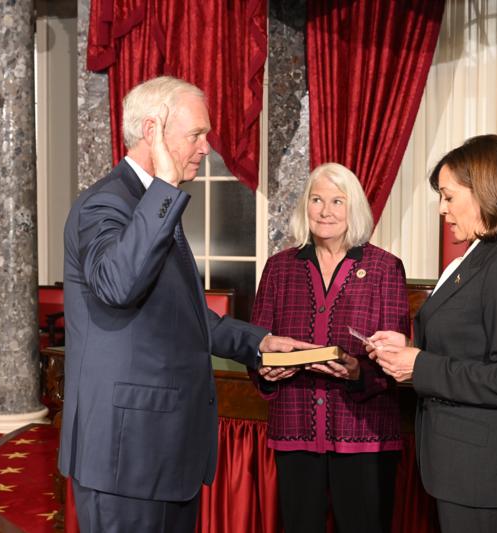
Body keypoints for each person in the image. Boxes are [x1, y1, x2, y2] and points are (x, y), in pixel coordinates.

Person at [58, 76, 314, 532]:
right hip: (126, 456)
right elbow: (118, 284)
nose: (205, 147)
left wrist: (261, 344)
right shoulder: (104, 204)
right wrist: (164, 186)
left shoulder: (154, 202)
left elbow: (184, 318)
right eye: (196, 134)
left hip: (166, 451)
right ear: (152, 131)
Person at [368, 134, 497, 533]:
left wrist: (421, 366)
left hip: (486, 472)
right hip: (464, 467)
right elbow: (468, 347)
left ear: (484, 192)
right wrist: (410, 350)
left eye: (449, 197)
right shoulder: (479, 256)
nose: (441, 209)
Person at [250, 162, 410, 533]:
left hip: (364, 435)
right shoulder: (278, 268)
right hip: (295, 430)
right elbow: (255, 344)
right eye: (317, 200)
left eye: (337, 201)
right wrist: (266, 370)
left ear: (353, 208)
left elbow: (397, 359)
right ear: (305, 206)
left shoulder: (386, 268)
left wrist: (358, 373)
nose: (326, 211)